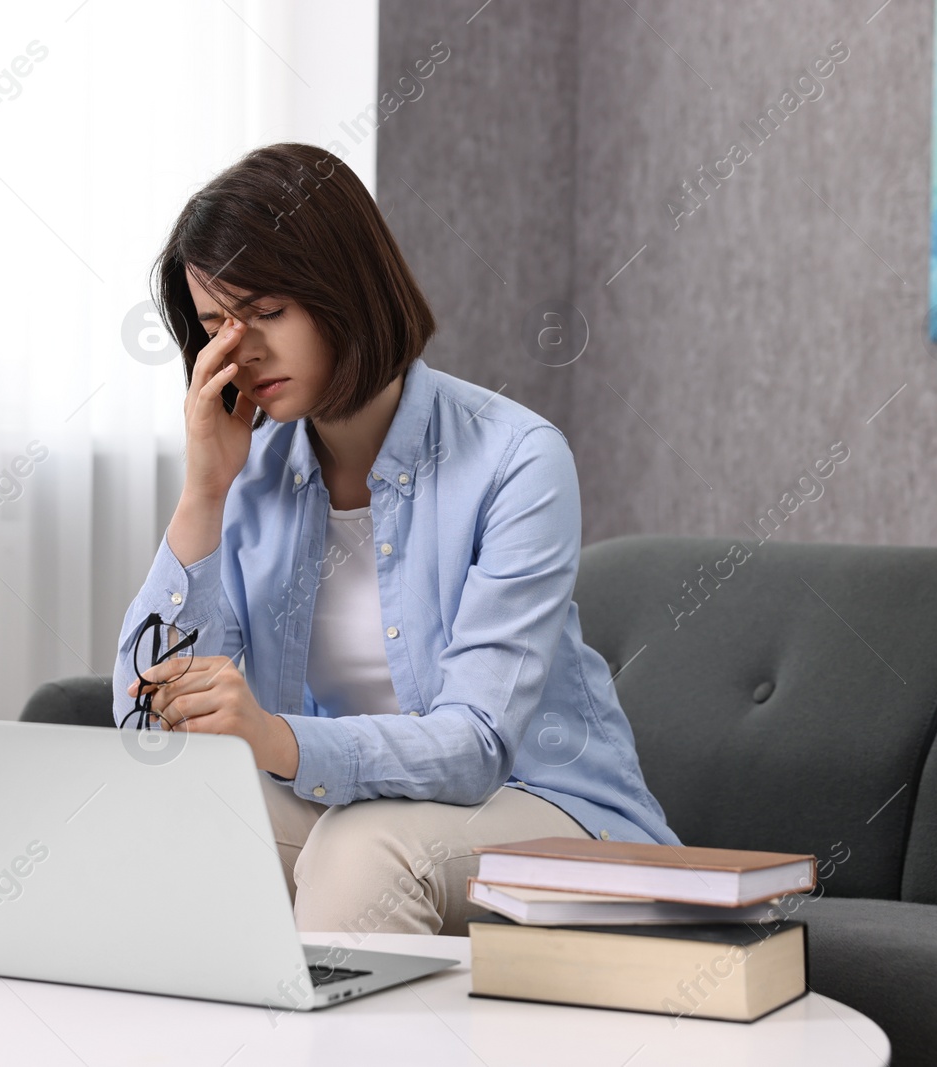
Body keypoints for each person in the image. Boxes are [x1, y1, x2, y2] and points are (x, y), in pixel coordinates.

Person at [113, 142, 679, 937]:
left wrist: (274, 738)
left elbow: (476, 743)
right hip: (353, 810)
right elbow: (141, 722)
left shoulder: (517, 458)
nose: (240, 349)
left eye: (269, 311)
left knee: (364, 848)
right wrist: (203, 492)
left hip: (552, 810)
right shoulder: (248, 467)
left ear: (345, 289)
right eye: (215, 325)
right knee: (177, 818)